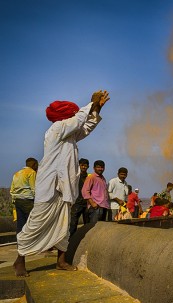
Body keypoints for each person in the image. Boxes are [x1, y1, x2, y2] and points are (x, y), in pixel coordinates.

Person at [14, 90, 109, 277]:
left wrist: (96, 107)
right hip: (50, 184)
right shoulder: (58, 128)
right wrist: (91, 103)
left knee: (64, 223)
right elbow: (79, 120)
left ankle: (61, 261)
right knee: (36, 222)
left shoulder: (70, 134)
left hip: (64, 186)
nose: (75, 115)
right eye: (72, 113)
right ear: (66, 115)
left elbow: (86, 126)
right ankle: (20, 260)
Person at [10, 158, 39, 234]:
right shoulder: (31, 172)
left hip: (17, 201)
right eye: (37, 165)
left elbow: (12, 190)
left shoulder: (16, 173)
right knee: (31, 223)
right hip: (28, 200)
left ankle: (20, 243)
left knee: (20, 223)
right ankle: (31, 242)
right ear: (34, 164)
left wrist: (14, 202)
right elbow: (33, 189)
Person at [69, 158, 90, 238]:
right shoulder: (75, 177)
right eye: (82, 165)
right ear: (79, 166)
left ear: (88, 166)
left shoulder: (89, 177)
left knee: (87, 224)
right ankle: (71, 241)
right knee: (73, 224)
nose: (84, 167)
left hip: (87, 203)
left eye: (85, 166)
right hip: (76, 203)